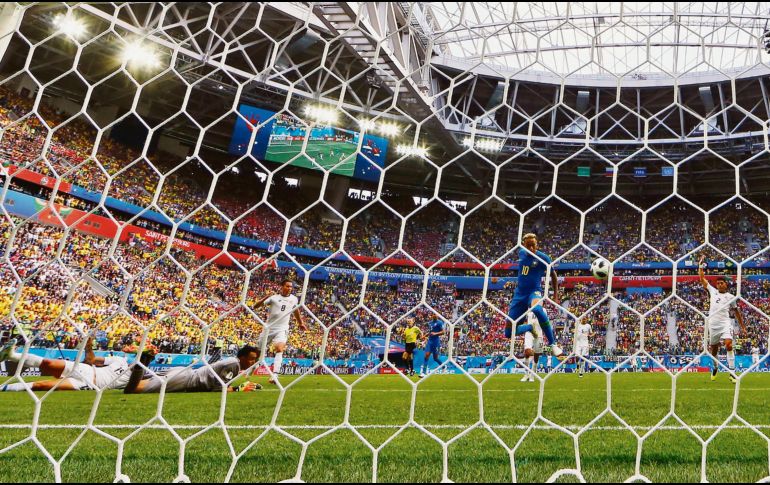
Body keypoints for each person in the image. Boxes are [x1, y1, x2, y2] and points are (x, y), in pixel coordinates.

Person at [0, 337, 131, 391]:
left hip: (89, 384)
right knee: (48, 363)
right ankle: (11, 356)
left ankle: (2, 388)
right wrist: (88, 346)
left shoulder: (136, 377)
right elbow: (92, 360)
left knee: (42, 385)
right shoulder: (120, 360)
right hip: (86, 370)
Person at [506, 233, 563, 357]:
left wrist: (556, 296)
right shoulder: (521, 253)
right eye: (528, 245)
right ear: (524, 246)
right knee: (508, 332)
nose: (531, 248)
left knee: (537, 309)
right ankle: (530, 327)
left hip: (534, 292)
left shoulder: (544, 258)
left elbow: (553, 275)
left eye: (533, 245)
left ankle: (553, 344)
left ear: (537, 245)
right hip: (519, 294)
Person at [123, 345, 261, 393]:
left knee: (133, 383)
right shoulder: (234, 365)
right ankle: (143, 359)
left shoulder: (232, 362)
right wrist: (238, 389)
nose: (253, 362)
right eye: (251, 359)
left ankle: (144, 359)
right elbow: (218, 388)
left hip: (183, 373)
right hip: (184, 380)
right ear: (242, 357)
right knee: (132, 389)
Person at [698, 256, 746, 382]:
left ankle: (732, 372)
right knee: (714, 349)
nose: (719, 285)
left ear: (726, 284)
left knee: (729, 345)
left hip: (725, 323)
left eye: (721, 283)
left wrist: (742, 326)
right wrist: (700, 265)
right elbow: (702, 279)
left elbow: (736, 312)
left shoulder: (731, 297)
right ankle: (715, 367)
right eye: (718, 283)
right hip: (713, 324)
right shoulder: (712, 291)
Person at [251, 279, 306, 383]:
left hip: (282, 328)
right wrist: (265, 297)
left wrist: (300, 323)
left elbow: (296, 310)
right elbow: (255, 306)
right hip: (269, 328)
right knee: (258, 351)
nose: (289, 288)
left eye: (291, 287)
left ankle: (275, 375)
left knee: (279, 348)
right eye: (287, 286)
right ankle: (253, 367)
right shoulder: (274, 298)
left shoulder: (294, 299)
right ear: (282, 286)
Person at [520, 312, 543, 383]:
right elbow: (524, 320)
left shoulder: (543, 310)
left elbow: (545, 322)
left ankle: (532, 374)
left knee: (536, 355)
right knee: (527, 352)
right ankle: (526, 374)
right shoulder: (528, 309)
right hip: (529, 333)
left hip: (539, 334)